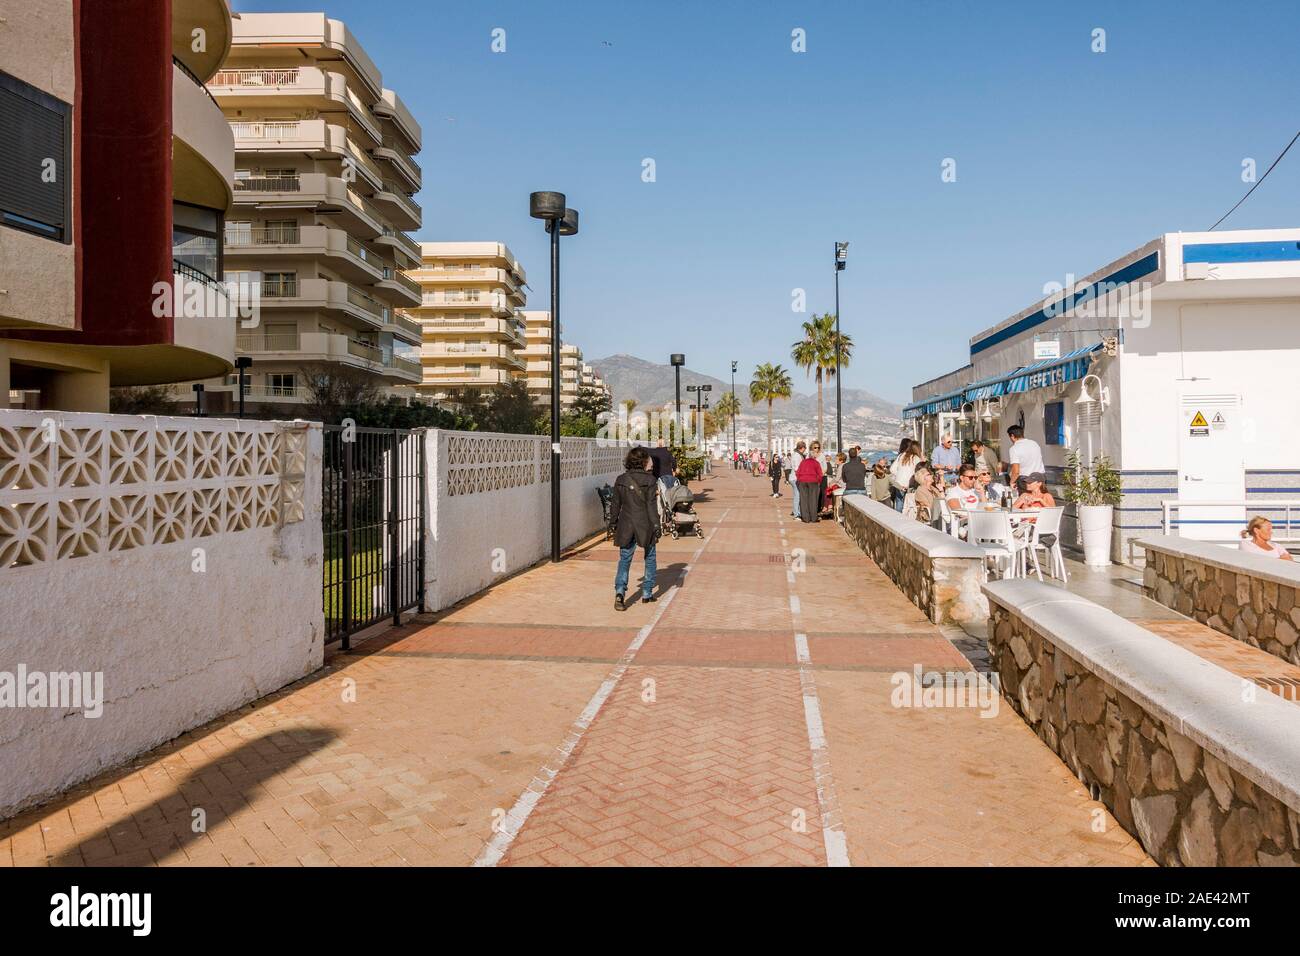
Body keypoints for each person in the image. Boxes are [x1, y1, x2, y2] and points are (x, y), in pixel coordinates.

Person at [610, 446, 661, 610]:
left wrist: (612, 524)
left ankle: (620, 592)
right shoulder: (650, 480)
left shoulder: (621, 479)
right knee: (650, 557)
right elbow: (651, 506)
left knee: (625, 559)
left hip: (626, 524)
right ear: (644, 461)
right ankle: (647, 593)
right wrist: (657, 525)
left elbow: (615, 505)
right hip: (645, 524)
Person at [889, 440, 922, 512]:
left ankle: (898, 518)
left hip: (899, 484)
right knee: (909, 506)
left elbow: (892, 469)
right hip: (909, 485)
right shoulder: (916, 458)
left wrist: (899, 475)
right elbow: (919, 473)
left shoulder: (901, 455)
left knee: (899, 504)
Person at [795, 442, 824, 523]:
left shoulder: (803, 462)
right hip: (813, 482)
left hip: (803, 481)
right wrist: (818, 481)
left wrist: (800, 479)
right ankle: (813, 518)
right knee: (813, 500)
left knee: (804, 500)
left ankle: (806, 518)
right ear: (814, 456)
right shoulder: (816, 463)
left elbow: (797, 472)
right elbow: (820, 474)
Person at [788, 441, 807, 519]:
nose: (805, 450)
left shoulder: (797, 455)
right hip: (795, 478)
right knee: (797, 496)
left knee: (797, 495)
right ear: (802, 448)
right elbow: (796, 468)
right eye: (805, 448)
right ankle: (796, 514)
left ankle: (797, 511)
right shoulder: (797, 456)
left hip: (795, 477)